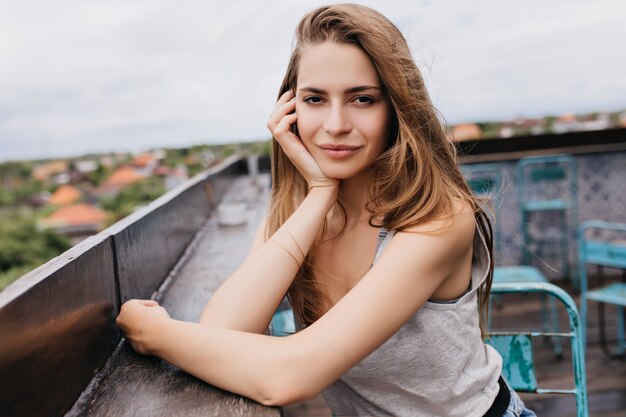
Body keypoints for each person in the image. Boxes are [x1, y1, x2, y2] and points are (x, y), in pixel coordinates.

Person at [116, 4, 536, 416]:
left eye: (362, 99)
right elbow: (221, 333)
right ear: (290, 108)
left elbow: (288, 376)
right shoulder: (300, 212)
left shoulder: (437, 221)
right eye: (315, 99)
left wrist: (156, 334)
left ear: (396, 108)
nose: (335, 123)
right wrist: (319, 195)